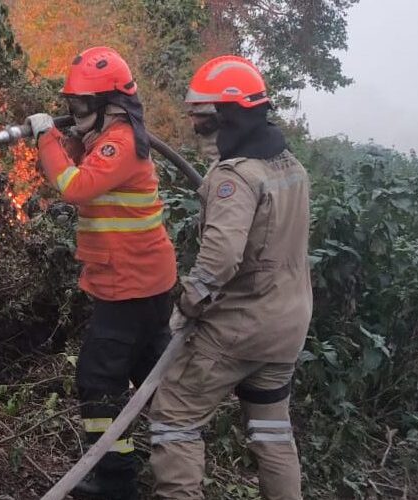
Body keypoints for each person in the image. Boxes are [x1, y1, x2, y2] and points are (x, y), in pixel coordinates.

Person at [147, 55, 313, 500]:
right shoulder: (289, 167)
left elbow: (220, 258)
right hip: (287, 328)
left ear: (229, 117)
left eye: (203, 120)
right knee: (272, 433)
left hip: (240, 328)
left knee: (173, 419)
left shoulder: (234, 177)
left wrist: (187, 304)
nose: (197, 129)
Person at [25, 46, 178, 500]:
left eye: (80, 105)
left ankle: (114, 480)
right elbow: (88, 167)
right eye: (71, 104)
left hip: (130, 287)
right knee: (151, 375)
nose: (75, 112)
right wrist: (63, 137)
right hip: (140, 282)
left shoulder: (122, 141)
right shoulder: (111, 137)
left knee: (98, 380)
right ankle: (177, 450)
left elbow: (76, 186)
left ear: (110, 104)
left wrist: (46, 140)